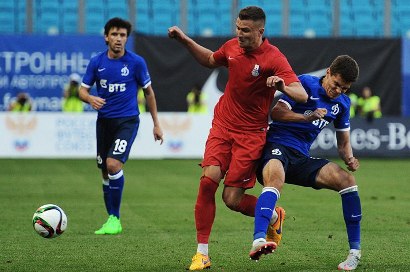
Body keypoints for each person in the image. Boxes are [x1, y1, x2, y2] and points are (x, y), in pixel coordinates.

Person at [168, 6, 308, 270]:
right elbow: (210, 59)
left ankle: (273, 216)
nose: (239, 34)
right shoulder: (232, 46)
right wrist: (185, 40)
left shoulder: (274, 58)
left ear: (260, 31)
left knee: (232, 200)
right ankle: (202, 253)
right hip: (223, 125)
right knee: (208, 180)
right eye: (237, 28)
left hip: (251, 135)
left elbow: (300, 94)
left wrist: (281, 86)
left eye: (245, 30)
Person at [251, 55, 362, 271]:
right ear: (328, 72)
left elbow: (343, 143)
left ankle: (354, 253)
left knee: (347, 180)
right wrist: (307, 117)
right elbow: (277, 112)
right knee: (275, 178)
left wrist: (349, 158)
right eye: (336, 84)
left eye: (344, 88)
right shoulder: (305, 83)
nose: (338, 91)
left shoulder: (342, 104)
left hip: (300, 158)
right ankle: (259, 240)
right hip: (276, 147)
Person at [79, 17, 164, 235]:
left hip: (127, 121)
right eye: (115, 34)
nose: (119, 39)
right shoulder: (97, 62)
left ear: (127, 38)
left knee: (113, 165)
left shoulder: (136, 62)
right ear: (106, 37)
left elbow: (149, 93)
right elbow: (82, 90)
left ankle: (115, 219)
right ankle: (111, 219)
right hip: (104, 122)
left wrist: (156, 124)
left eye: (123, 35)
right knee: (105, 173)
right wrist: (90, 99)